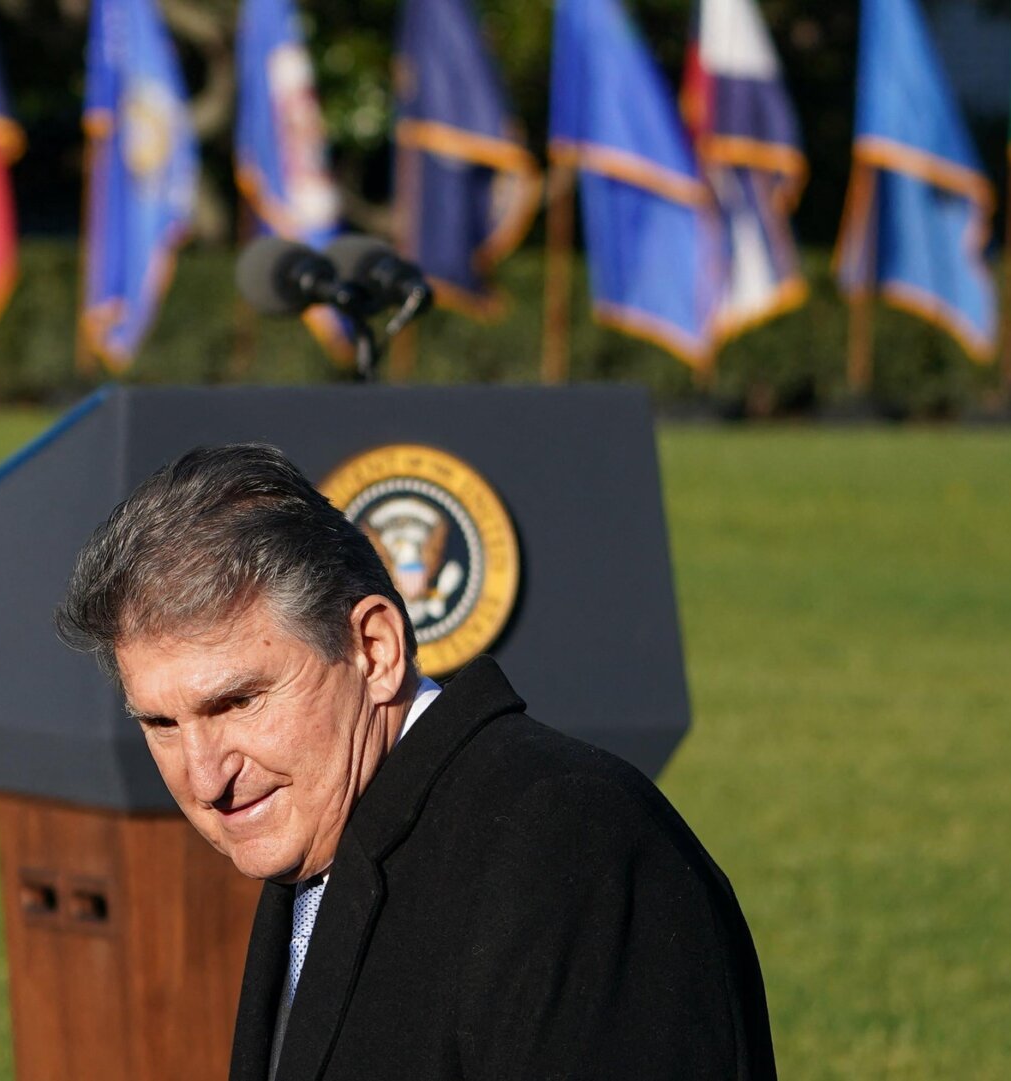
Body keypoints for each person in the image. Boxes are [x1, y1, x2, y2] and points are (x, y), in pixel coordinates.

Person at [56, 443, 775, 1081]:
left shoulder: (574, 845)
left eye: (237, 703)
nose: (206, 775)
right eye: (161, 722)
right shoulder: (320, 836)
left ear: (375, 649)